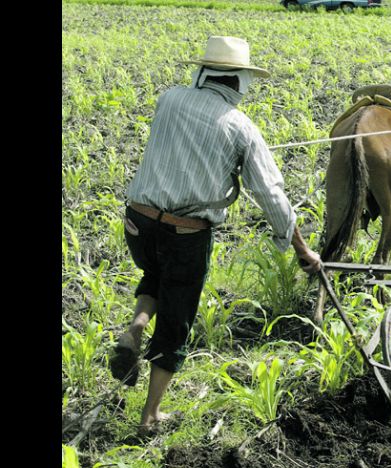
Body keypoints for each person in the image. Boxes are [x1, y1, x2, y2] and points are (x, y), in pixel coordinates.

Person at [109, 36, 322, 434]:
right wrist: (301, 249)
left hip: (137, 223)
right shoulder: (241, 128)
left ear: (204, 71)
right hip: (185, 233)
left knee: (155, 275)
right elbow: (271, 195)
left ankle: (134, 330)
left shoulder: (169, 98)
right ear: (240, 81)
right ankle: (150, 416)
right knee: (176, 318)